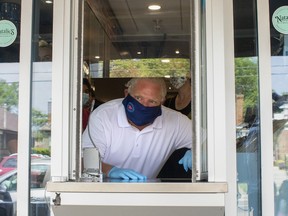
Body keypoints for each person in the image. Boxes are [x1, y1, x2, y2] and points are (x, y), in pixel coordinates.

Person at [82, 77, 193, 180]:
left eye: (152, 101)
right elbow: (84, 161)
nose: (144, 105)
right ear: (126, 94)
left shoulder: (175, 121)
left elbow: (207, 142)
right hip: (102, 190)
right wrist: (111, 171)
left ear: (162, 102)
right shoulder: (104, 116)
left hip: (145, 192)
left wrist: (198, 154)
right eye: (138, 98)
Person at [157, 74, 192, 178]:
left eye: (178, 73)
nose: (174, 77)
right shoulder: (168, 102)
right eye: (172, 74)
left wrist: (198, 150)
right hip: (167, 153)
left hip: (188, 154)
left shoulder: (201, 101)